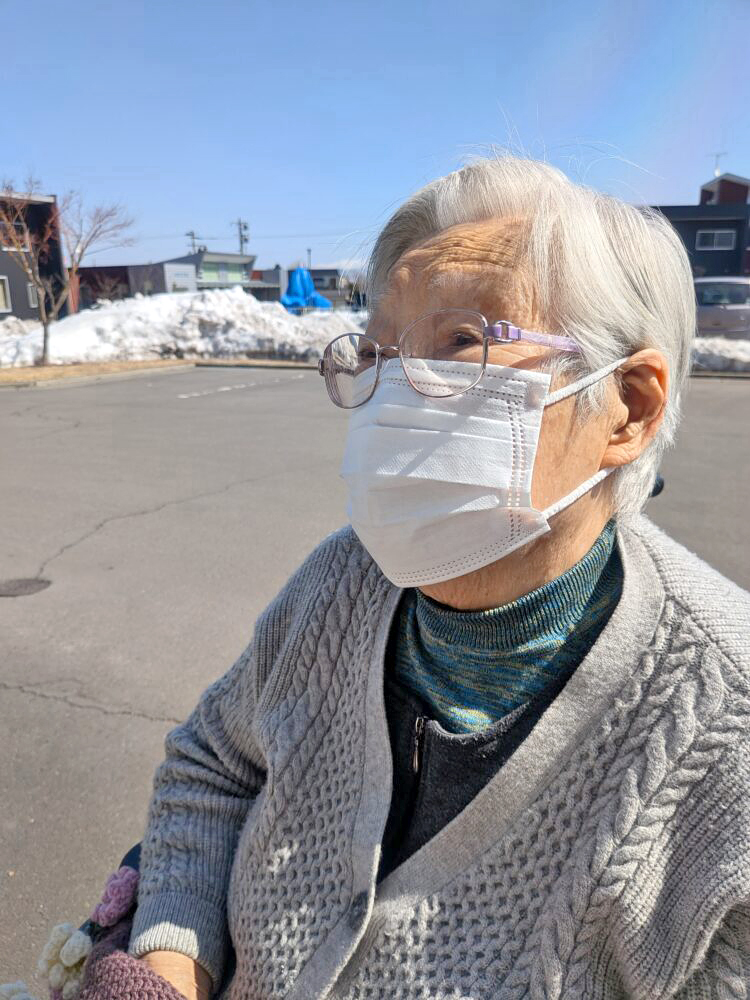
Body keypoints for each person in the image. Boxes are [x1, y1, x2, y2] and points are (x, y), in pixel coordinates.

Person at [98, 157, 749, 998]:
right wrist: (169, 968)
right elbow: (213, 768)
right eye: (377, 353)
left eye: (462, 343)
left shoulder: (724, 739)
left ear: (629, 407)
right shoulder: (342, 583)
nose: (394, 394)